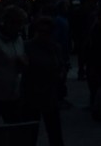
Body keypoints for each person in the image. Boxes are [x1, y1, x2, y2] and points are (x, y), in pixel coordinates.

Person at [21, 15, 66, 146]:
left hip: (50, 96)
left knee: (55, 134)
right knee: (29, 135)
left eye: (47, 32)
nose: (43, 35)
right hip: (32, 96)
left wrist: (61, 74)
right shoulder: (27, 47)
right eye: (41, 31)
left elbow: (61, 66)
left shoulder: (55, 48)